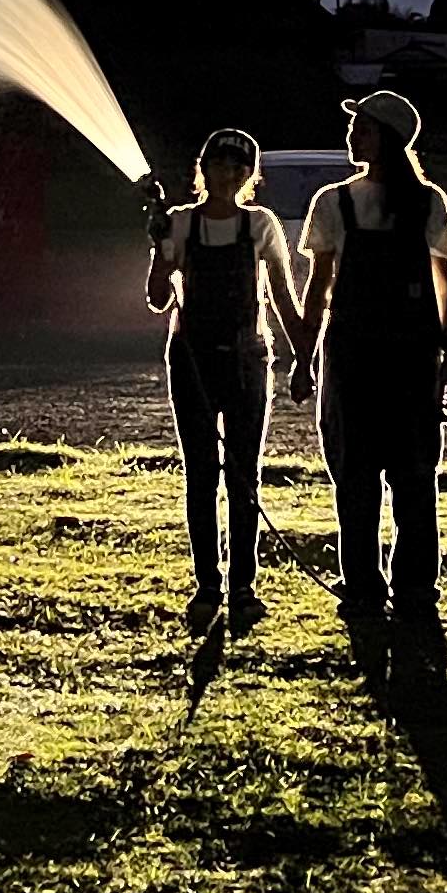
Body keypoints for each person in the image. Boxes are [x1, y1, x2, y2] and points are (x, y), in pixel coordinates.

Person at [293, 88, 447, 674]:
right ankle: (363, 587)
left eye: (362, 128)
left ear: (387, 137)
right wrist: (302, 353)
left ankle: (413, 589)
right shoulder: (331, 202)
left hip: (407, 357)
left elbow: (446, 288)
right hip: (353, 355)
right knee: (357, 477)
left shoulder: (427, 204)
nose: (351, 135)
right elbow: (318, 287)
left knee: (414, 478)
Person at [144, 128, 303, 635]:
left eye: (238, 166)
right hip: (191, 362)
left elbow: (281, 294)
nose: (227, 173)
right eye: (219, 163)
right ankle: (208, 586)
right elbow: (158, 298)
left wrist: (304, 354)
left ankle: (242, 589)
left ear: (247, 176)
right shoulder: (181, 223)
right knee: (200, 475)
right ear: (204, 167)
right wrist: (160, 249)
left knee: (243, 476)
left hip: (247, 360)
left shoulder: (261, 225)